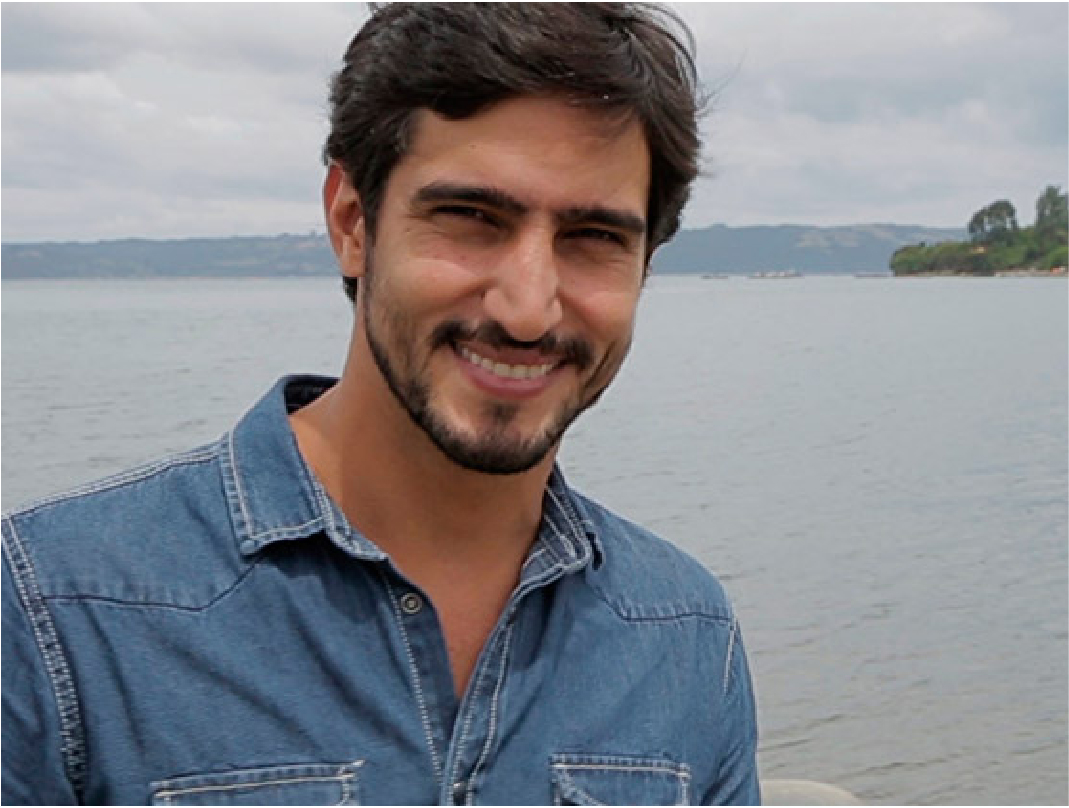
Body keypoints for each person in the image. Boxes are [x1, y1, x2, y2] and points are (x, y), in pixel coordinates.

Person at [1, 4, 759, 805]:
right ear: (352, 222)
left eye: (594, 238)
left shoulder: (683, 632)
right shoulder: (58, 607)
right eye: (472, 218)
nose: (527, 310)